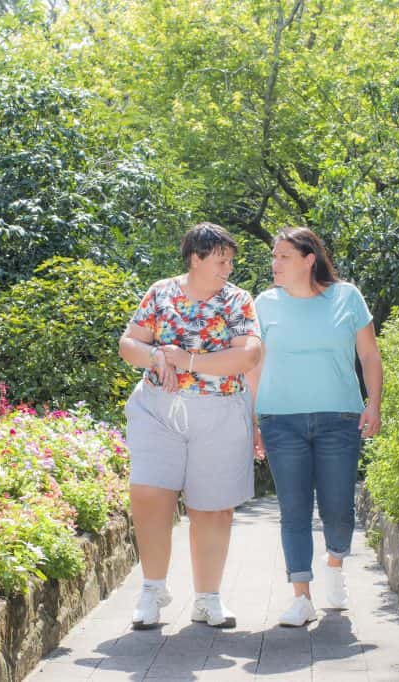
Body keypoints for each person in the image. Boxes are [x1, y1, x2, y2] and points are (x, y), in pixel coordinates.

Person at [118, 222, 262, 630]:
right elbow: (130, 343)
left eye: (230, 261)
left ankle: (208, 599)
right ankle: (152, 591)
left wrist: (186, 360)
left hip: (220, 410)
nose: (228, 268)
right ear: (195, 259)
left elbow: (246, 356)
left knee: (213, 509)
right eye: (220, 260)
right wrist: (155, 358)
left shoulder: (237, 301)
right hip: (158, 409)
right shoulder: (161, 292)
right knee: (149, 494)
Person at [246, 227, 383, 627]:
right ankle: (301, 595)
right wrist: (253, 420)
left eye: (284, 256)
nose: (275, 264)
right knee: (294, 509)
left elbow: (370, 355)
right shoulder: (264, 304)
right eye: (274, 256)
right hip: (280, 421)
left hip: (338, 419)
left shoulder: (347, 297)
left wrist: (373, 404)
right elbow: (254, 366)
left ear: (309, 259)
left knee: (339, 509)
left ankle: (336, 564)